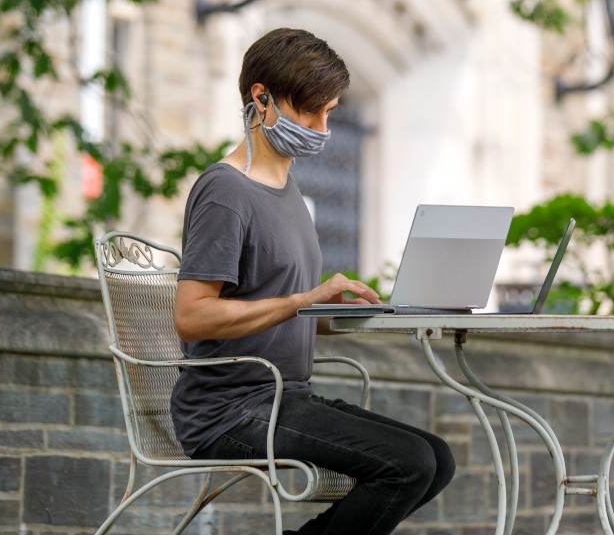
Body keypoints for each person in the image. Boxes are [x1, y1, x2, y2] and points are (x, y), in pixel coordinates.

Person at [171, 27, 454, 535]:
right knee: (408, 464)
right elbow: (192, 317)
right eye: (311, 112)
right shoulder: (225, 192)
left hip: (285, 398)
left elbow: (278, 308)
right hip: (229, 413)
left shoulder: (287, 189)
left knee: (437, 458)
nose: (323, 128)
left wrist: (355, 313)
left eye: (331, 112)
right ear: (261, 98)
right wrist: (305, 297)